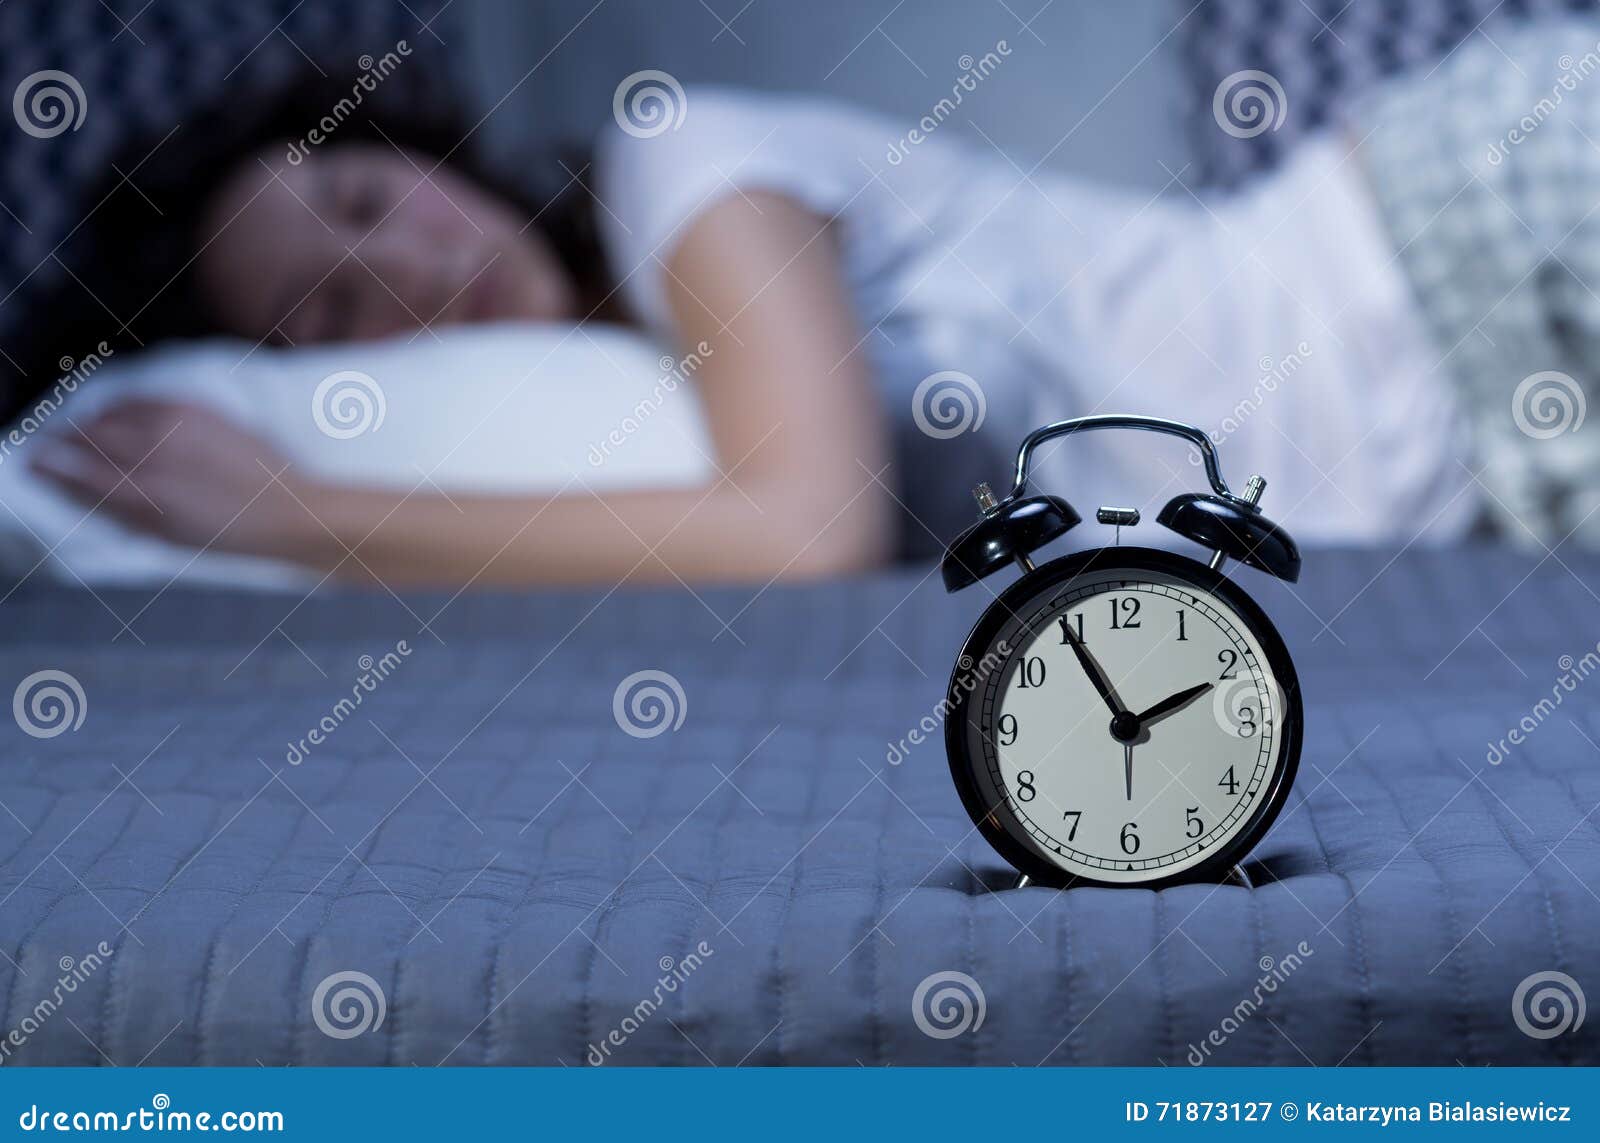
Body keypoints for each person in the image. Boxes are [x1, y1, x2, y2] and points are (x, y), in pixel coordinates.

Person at [26, 20, 1600, 586]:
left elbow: (804, 531)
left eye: (369, 203)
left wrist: (303, 513)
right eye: (335, 315)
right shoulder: (627, 413)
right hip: (1490, 464)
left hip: (1455, 236)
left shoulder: (677, 168)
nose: (418, 270)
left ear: (416, 146)